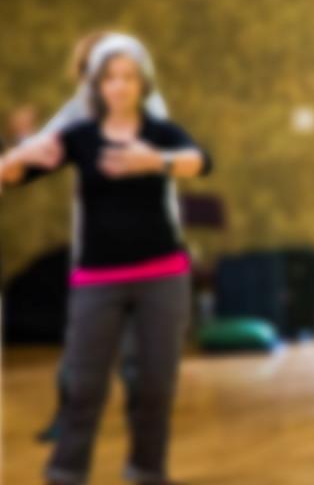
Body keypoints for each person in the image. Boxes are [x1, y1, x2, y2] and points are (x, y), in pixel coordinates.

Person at [1, 35, 212, 485]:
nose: (120, 85)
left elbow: (201, 161)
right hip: (98, 278)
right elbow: (14, 174)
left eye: (129, 76)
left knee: (154, 386)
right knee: (83, 385)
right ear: (96, 86)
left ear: (142, 83)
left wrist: (156, 161)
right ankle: (66, 472)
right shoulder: (78, 135)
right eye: (110, 77)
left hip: (163, 275)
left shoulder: (160, 133)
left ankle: (146, 470)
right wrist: (19, 151)